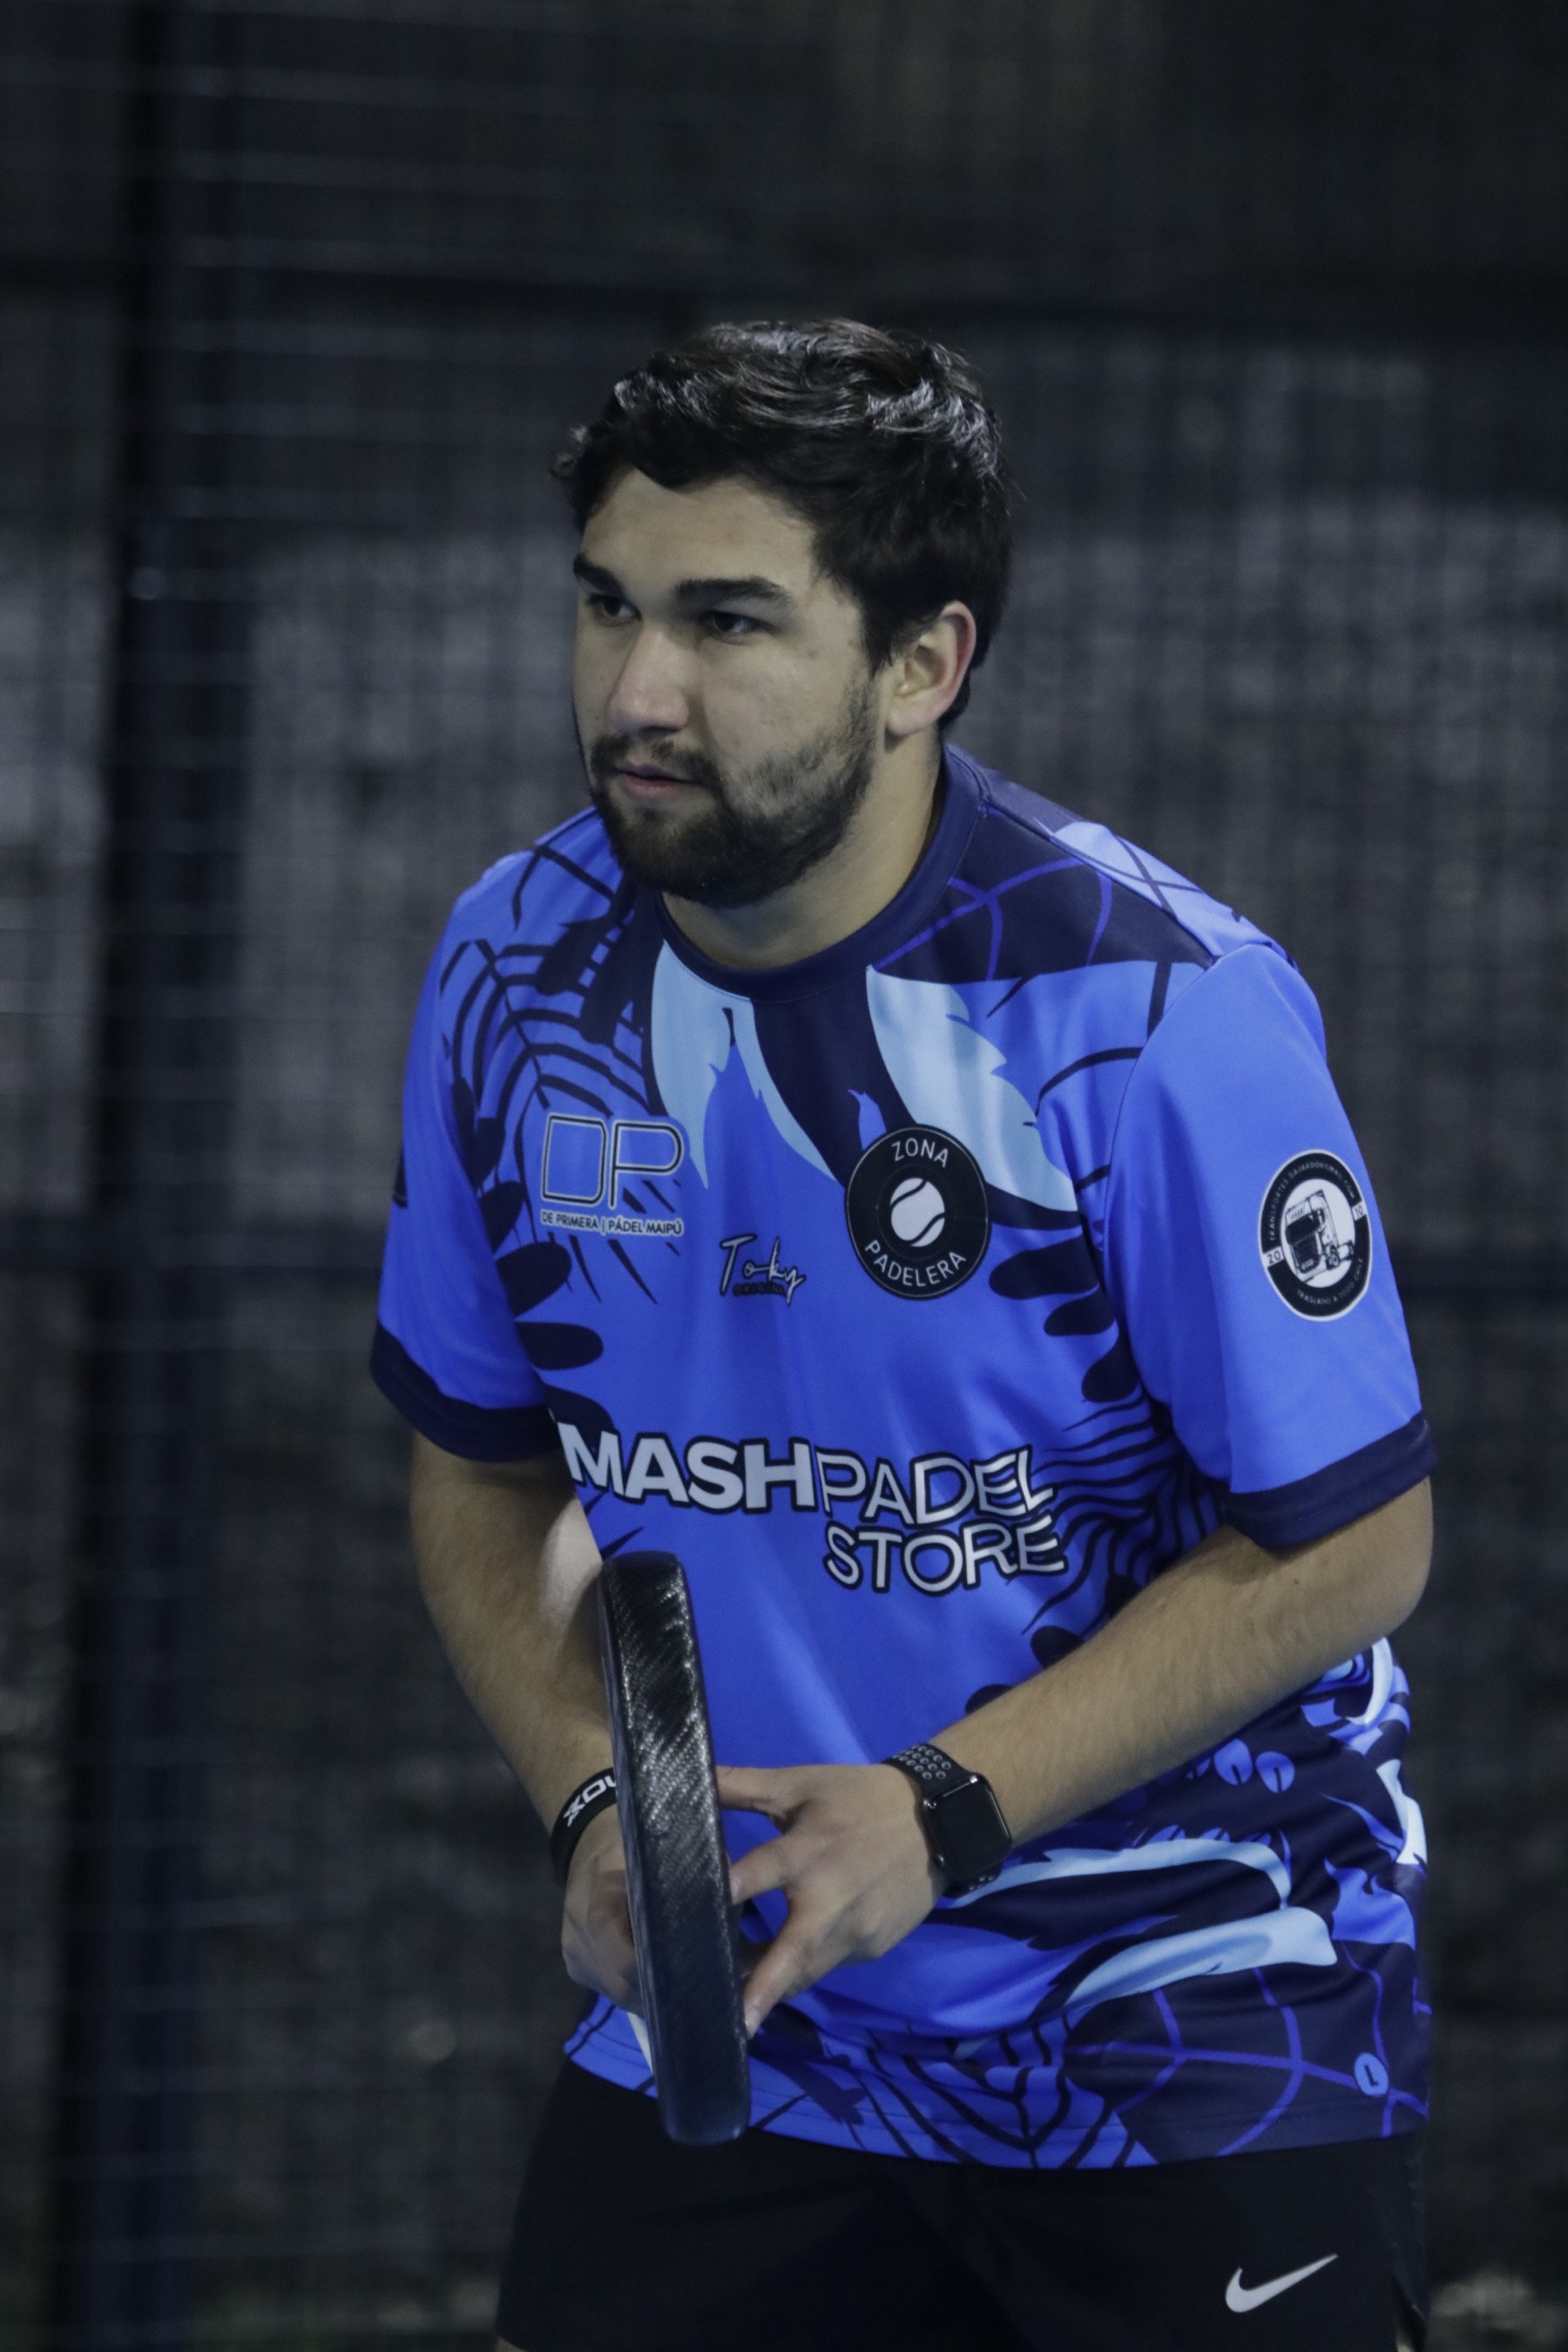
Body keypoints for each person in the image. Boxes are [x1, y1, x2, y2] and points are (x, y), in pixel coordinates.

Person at [371, 321, 1435, 2352]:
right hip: (759, 2013)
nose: (636, 691)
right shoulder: (513, 968)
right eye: (608, 606)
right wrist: (598, 1798)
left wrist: (939, 1809)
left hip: (1195, 2007)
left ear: (922, 665)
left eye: (727, 623)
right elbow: (479, 1470)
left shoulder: (1152, 1009)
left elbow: (1356, 1544)